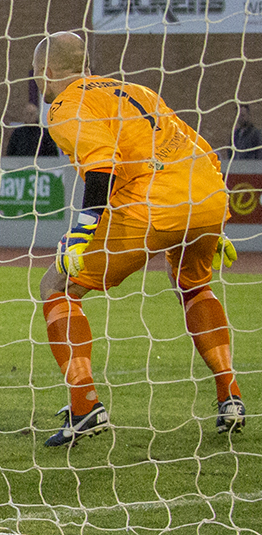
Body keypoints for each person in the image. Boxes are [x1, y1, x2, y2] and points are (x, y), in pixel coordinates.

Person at [33, 30, 244, 445]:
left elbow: (102, 164)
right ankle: (230, 396)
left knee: (56, 286)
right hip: (208, 191)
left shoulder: (65, 104)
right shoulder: (135, 89)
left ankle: (84, 406)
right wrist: (209, 218)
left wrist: (84, 229)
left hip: (151, 201)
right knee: (194, 285)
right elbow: (196, 144)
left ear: (48, 72)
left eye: (37, 75)